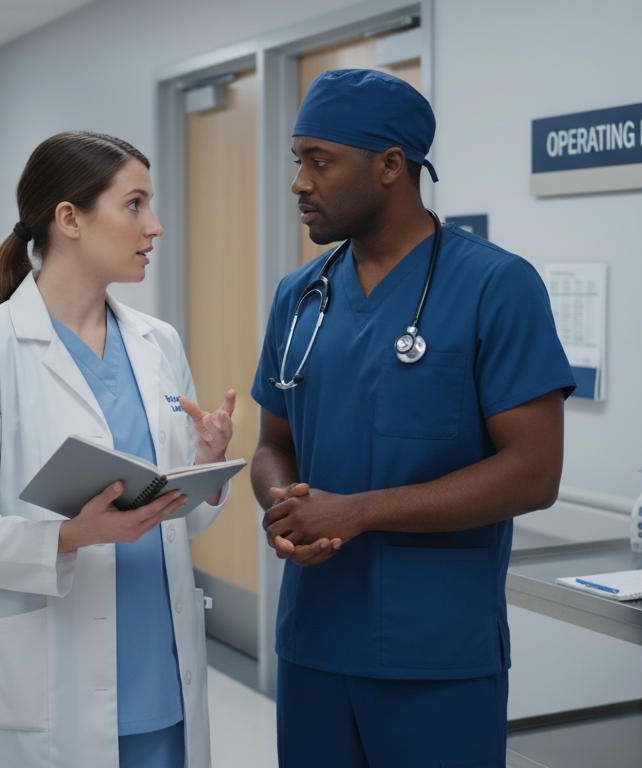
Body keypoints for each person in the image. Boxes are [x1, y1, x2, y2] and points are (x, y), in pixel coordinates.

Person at [250, 70, 577, 767]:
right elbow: (273, 441)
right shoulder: (300, 296)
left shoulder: (496, 285)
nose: (299, 183)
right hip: (313, 641)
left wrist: (358, 512)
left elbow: (534, 472)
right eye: (297, 160)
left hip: (437, 654)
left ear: (391, 166)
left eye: (320, 160)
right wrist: (285, 505)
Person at [0, 131, 236, 768]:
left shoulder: (158, 342)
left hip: (163, 666)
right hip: (47, 684)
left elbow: (179, 516)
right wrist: (69, 537)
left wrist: (205, 465)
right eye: (134, 205)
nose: (154, 226)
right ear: (69, 218)